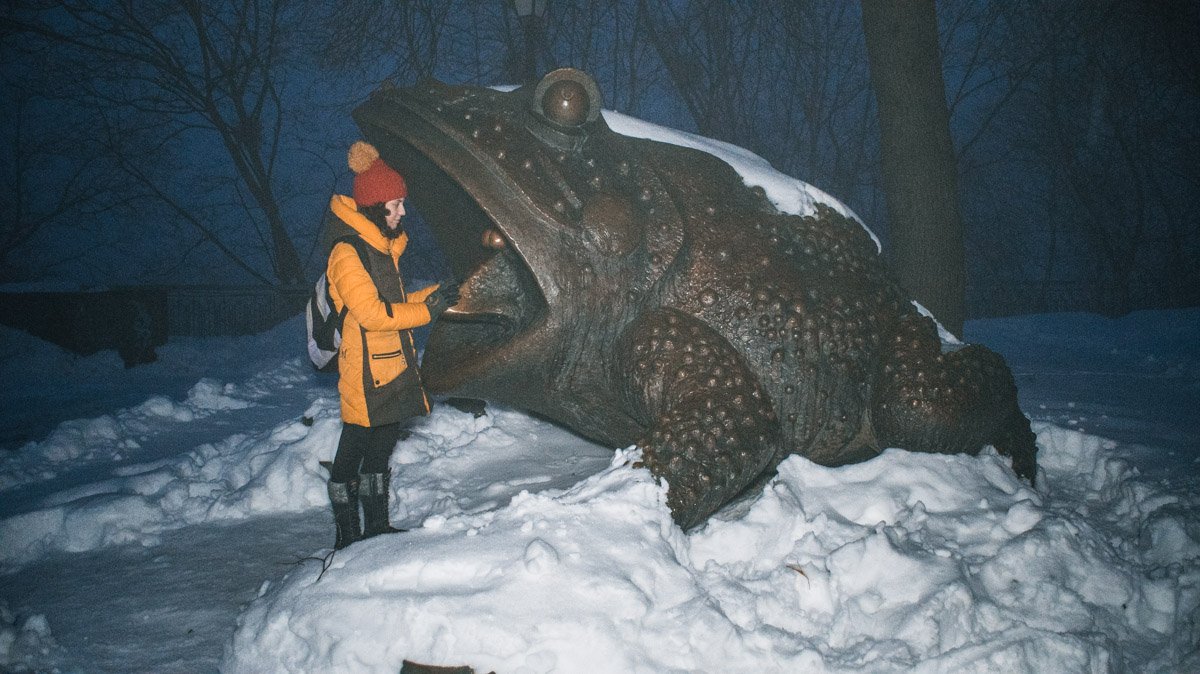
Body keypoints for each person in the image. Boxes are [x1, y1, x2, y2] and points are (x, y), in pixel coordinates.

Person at [324, 140, 458, 549]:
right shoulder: (348, 252)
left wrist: (440, 293)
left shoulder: (384, 249)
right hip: (364, 372)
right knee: (352, 453)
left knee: (380, 451)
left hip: (393, 367)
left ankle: (377, 529)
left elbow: (398, 305)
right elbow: (374, 315)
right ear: (373, 206)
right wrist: (430, 310)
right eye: (395, 204)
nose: (402, 211)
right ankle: (348, 536)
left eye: (402, 203)